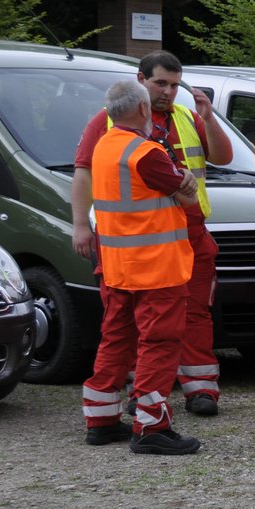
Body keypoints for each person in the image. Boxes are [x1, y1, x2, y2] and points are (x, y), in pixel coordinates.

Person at [71, 51, 231, 418]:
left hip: (187, 231)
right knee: (136, 323)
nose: (169, 92)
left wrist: (208, 118)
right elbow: (84, 172)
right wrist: (80, 225)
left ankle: (200, 388)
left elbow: (221, 157)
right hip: (137, 240)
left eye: (175, 85)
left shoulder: (187, 117)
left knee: (194, 313)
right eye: (161, 83)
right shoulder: (109, 121)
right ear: (141, 81)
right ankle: (142, 397)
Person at [80, 81, 201, 454]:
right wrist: (186, 183)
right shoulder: (145, 152)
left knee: (117, 339)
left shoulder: (105, 145)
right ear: (145, 109)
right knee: (159, 343)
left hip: (118, 266)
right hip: (156, 267)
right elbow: (186, 191)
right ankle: (151, 426)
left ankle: (100, 420)